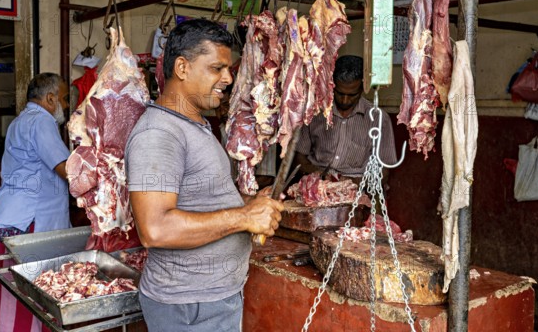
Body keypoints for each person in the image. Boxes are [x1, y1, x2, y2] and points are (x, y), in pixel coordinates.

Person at [125, 19, 284, 332]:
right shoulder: (159, 133)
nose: (228, 77)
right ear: (183, 68)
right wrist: (243, 217)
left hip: (207, 301)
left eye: (228, 68)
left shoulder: (194, 125)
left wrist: (250, 202)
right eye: (216, 68)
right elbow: (155, 229)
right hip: (189, 307)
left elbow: (203, 196)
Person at [0, 72, 71, 332]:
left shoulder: (20, 121)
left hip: (8, 220)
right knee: (31, 297)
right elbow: (65, 168)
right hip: (28, 226)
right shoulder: (41, 121)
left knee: (8, 298)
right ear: (51, 98)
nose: (66, 106)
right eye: (64, 100)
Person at [293, 55, 397, 186]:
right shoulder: (314, 113)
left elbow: (384, 170)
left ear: (363, 88)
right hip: (317, 183)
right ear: (331, 86)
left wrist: (352, 184)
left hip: (359, 186)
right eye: (340, 93)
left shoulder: (378, 118)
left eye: (352, 95)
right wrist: (323, 177)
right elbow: (299, 159)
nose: (345, 100)